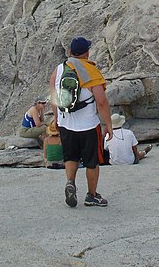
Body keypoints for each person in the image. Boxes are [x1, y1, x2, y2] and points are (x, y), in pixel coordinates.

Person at [50, 36, 113, 208]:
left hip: (65, 124)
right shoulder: (91, 71)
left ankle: (70, 182)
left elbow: (54, 99)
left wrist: (56, 119)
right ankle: (91, 195)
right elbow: (101, 101)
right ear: (87, 53)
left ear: (70, 52)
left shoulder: (58, 70)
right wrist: (108, 123)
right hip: (88, 126)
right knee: (92, 161)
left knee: (70, 156)